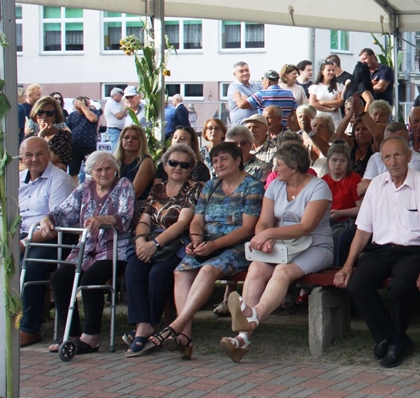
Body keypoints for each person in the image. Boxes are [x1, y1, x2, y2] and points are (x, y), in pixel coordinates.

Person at [335, 137, 420, 367]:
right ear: (382, 160)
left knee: (400, 288)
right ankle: (393, 338)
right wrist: (348, 265)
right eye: (387, 157)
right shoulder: (376, 185)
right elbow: (363, 230)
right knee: (357, 285)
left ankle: (392, 340)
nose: (393, 161)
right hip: (380, 250)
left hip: (413, 251)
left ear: (408, 156)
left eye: (398, 155)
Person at [219, 143, 334, 362]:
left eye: (279, 164)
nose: (274, 168)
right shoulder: (275, 185)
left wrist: (269, 234)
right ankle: (242, 339)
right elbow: (263, 221)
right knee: (257, 268)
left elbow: (305, 227)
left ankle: (254, 317)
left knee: (282, 272)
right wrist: (265, 238)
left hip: (316, 246)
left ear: (294, 166)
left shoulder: (319, 188)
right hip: (283, 246)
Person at [152, 142, 263, 356]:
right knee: (181, 271)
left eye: (224, 159)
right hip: (207, 243)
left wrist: (214, 245)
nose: (218, 164)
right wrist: (195, 241)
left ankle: (176, 326)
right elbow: (196, 221)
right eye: (214, 160)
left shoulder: (252, 186)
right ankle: (186, 335)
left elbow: (248, 228)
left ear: (238, 160)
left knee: (207, 270)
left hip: (237, 246)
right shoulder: (210, 186)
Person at [36, 151, 135, 354]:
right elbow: (64, 211)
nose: (104, 173)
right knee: (59, 278)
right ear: (91, 172)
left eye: (108, 168)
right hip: (87, 248)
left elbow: (126, 217)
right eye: (99, 169)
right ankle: (71, 336)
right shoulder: (84, 188)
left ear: (115, 169)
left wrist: (103, 220)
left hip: (115, 248)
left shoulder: (123, 185)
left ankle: (91, 337)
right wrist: (48, 219)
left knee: (91, 278)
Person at [122, 143, 202, 357]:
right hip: (149, 241)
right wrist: (140, 240)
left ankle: (145, 328)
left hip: (175, 244)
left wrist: (154, 244)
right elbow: (145, 219)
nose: (178, 168)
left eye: (184, 165)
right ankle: (144, 325)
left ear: (191, 168)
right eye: (173, 163)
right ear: (165, 166)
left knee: (159, 274)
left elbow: (182, 223)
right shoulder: (157, 189)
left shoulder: (194, 189)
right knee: (134, 270)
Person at [16, 137, 77, 347]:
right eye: (28, 155)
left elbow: (53, 226)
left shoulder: (59, 179)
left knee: (29, 265)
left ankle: (29, 328)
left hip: (54, 239)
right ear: (21, 156)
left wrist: (24, 243)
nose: (34, 159)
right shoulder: (16, 178)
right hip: (21, 236)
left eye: (39, 154)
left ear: (48, 154)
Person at [114, 124, 156, 211]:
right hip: (116, 204)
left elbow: (135, 193)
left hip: (136, 208)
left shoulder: (146, 162)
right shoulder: (115, 161)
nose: (129, 140)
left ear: (141, 142)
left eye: (134, 138)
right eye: (126, 137)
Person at [28, 96, 73, 171]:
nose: (44, 116)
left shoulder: (64, 136)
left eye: (49, 113)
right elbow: (20, 164)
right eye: (40, 112)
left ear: (55, 116)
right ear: (35, 115)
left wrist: (41, 137)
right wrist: (53, 166)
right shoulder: (30, 136)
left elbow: (50, 159)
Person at [66, 96, 99, 178]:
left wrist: (83, 107)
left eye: (80, 103)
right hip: (74, 146)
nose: (78, 106)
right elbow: (67, 128)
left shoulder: (94, 112)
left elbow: (93, 119)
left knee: (93, 170)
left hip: (89, 145)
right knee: (73, 171)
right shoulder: (72, 115)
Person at [309, 59, 346, 127]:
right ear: (322, 72)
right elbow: (312, 103)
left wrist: (322, 103)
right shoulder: (315, 87)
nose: (331, 72)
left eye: (333, 70)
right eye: (329, 70)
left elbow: (339, 102)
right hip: (320, 118)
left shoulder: (337, 86)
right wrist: (329, 109)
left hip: (335, 119)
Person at [227, 62, 261, 126]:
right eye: (241, 71)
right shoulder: (234, 87)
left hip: (256, 126)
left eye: (247, 70)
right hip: (241, 127)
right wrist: (259, 100)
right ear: (235, 74)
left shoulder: (257, 85)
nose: (245, 73)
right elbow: (246, 103)